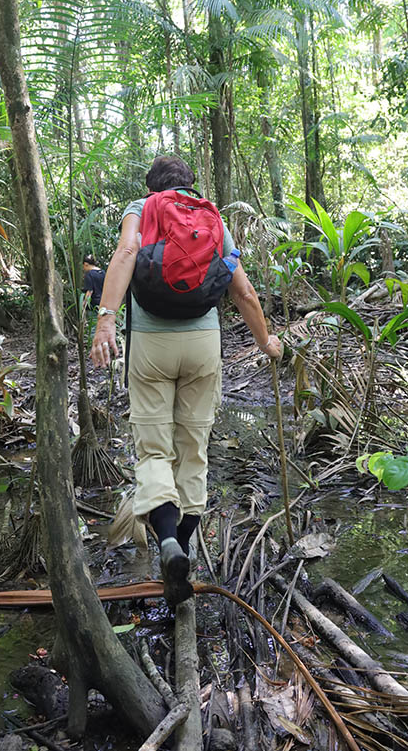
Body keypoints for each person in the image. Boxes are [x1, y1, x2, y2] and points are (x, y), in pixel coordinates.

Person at [91, 157, 282, 606]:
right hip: (202, 344)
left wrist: (105, 323)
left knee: (154, 448)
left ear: (151, 187)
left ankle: (166, 545)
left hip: (152, 347)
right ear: (190, 185)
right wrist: (266, 343)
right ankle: (186, 545)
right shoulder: (210, 216)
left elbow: (124, 255)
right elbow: (243, 292)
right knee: (193, 447)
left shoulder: (142, 208)